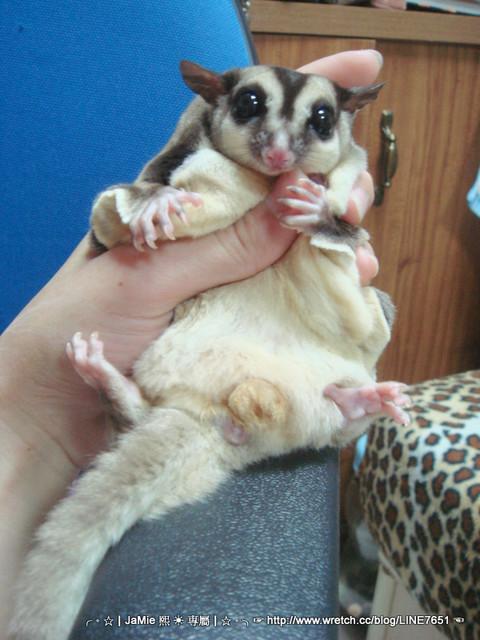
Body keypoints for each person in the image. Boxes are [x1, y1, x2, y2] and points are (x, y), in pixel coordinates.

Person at [0, 50, 382, 630]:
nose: (280, 151)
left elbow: (347, 237)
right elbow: (148, 186)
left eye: (318, 123)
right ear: (215, 101)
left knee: (361, 314)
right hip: (190, 379)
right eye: (251, 110)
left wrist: (332, 222)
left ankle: (328, 404)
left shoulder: (337, 175)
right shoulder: (200, 158)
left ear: (344, 120)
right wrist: (154, 201)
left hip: (261, 380)